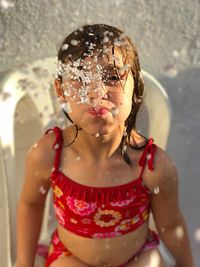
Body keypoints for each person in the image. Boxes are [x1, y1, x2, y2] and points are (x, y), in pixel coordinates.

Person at [16, 24, 194, 267]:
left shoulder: (153, 166)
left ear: (136, 87)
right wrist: (23, 263)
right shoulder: (49, 155)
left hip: (136, 258)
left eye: (112, 77)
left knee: (151, 261)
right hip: (72, 258)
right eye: (80, 79)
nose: (96, 92)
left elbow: (171, 226)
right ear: (61, 92)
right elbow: (31, 203)